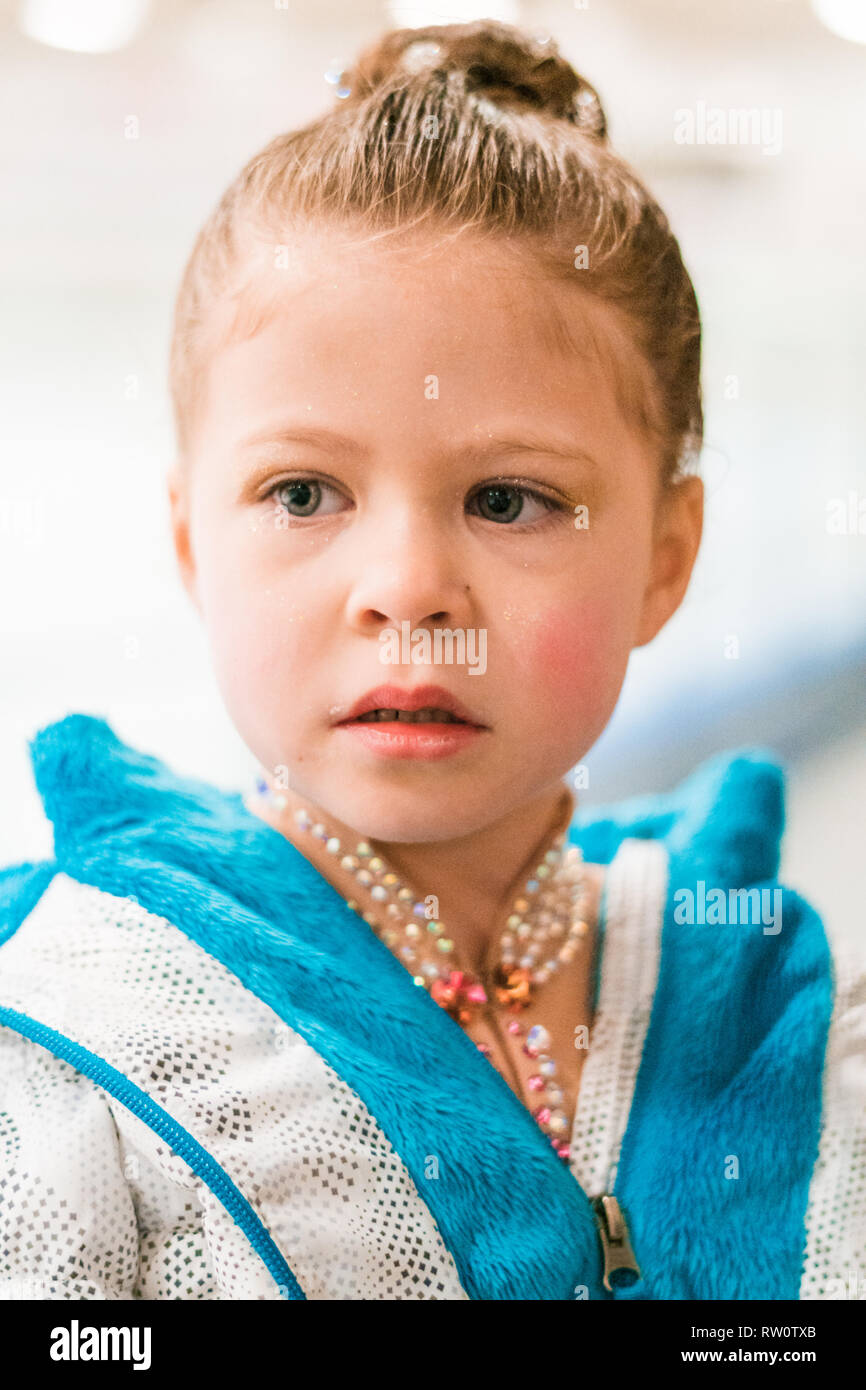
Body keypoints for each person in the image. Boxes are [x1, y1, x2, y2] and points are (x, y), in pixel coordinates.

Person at [1, 19, 862, 1302]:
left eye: (508, 500)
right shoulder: (83, 1045)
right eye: (302, 494)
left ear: (666, 556)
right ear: (191, 543)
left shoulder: (785, 1018)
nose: (406, 589)